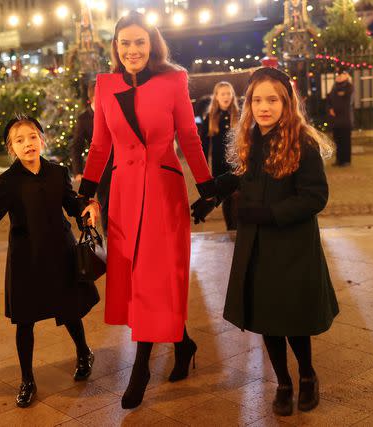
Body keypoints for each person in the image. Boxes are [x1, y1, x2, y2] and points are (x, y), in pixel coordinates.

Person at [79, 11, 215, 409]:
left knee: (154, 278)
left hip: (162, 191)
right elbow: (101, 145)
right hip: (122, 194)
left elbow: (189, 136)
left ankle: (139, 369)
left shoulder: (174, 79)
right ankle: (184, 343)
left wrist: (206, 187)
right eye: (125, 43)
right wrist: (85, 191)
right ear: (116, 48)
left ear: (151, 43)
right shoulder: (105, 85)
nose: (133, 50)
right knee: (140, 279)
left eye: (140, 42)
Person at [192, 67, 339, 417]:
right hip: (257, 246)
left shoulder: (301, 142)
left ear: (287, 103)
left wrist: (270, 214)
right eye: (257, 100)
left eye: (272, 100)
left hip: (291, 247)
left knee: (293, 319)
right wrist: (214, 192)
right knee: (267, 317)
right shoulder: (252, 138)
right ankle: (283, 382)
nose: (264, 107)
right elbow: (245, 174)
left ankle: (307, 375)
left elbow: (315, 196)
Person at [0, 116, 100, 408]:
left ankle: (84, 352)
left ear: (42, 140)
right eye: (20, 140)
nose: (28, 144)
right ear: (11, 148)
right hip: (26, 259)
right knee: (25, 322)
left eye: (33, 137)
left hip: (60, 253)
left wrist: (87, 206)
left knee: (70, 312)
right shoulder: (8, 182)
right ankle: (27, 380)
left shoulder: (57, 172)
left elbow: (71, 203)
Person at [71, 80, 114, 236]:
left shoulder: (114, 112)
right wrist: (78, 172)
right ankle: (111, 239)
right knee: (106, 206)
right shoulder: (84, 119)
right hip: (103, 170)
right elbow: (76, 146)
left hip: (122, 166)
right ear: (93, 98)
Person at [199, 81, 240, 230]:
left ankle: (237, 229)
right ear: (216, 96)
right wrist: (203, 172)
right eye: (223, 93)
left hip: (237, 165)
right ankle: (231, 228)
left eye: (229, 93)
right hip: (219, 167)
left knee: (238, 197)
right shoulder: (210, 118)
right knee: (226, 199)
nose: (226, 96)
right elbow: (203, 146)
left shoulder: (238, 114)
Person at [327, 70, 354, 166]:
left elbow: (346, 98)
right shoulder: (334, 87)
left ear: (346, 76)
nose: (339, 76)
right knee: (337, 140)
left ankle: (346, 160)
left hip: (345, 119)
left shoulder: (348, 86)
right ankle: (339, 159)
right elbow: (329, 98)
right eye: (338, 75)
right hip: (336, 119)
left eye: (341, 75)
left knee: (345, 140)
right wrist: (330, 108)